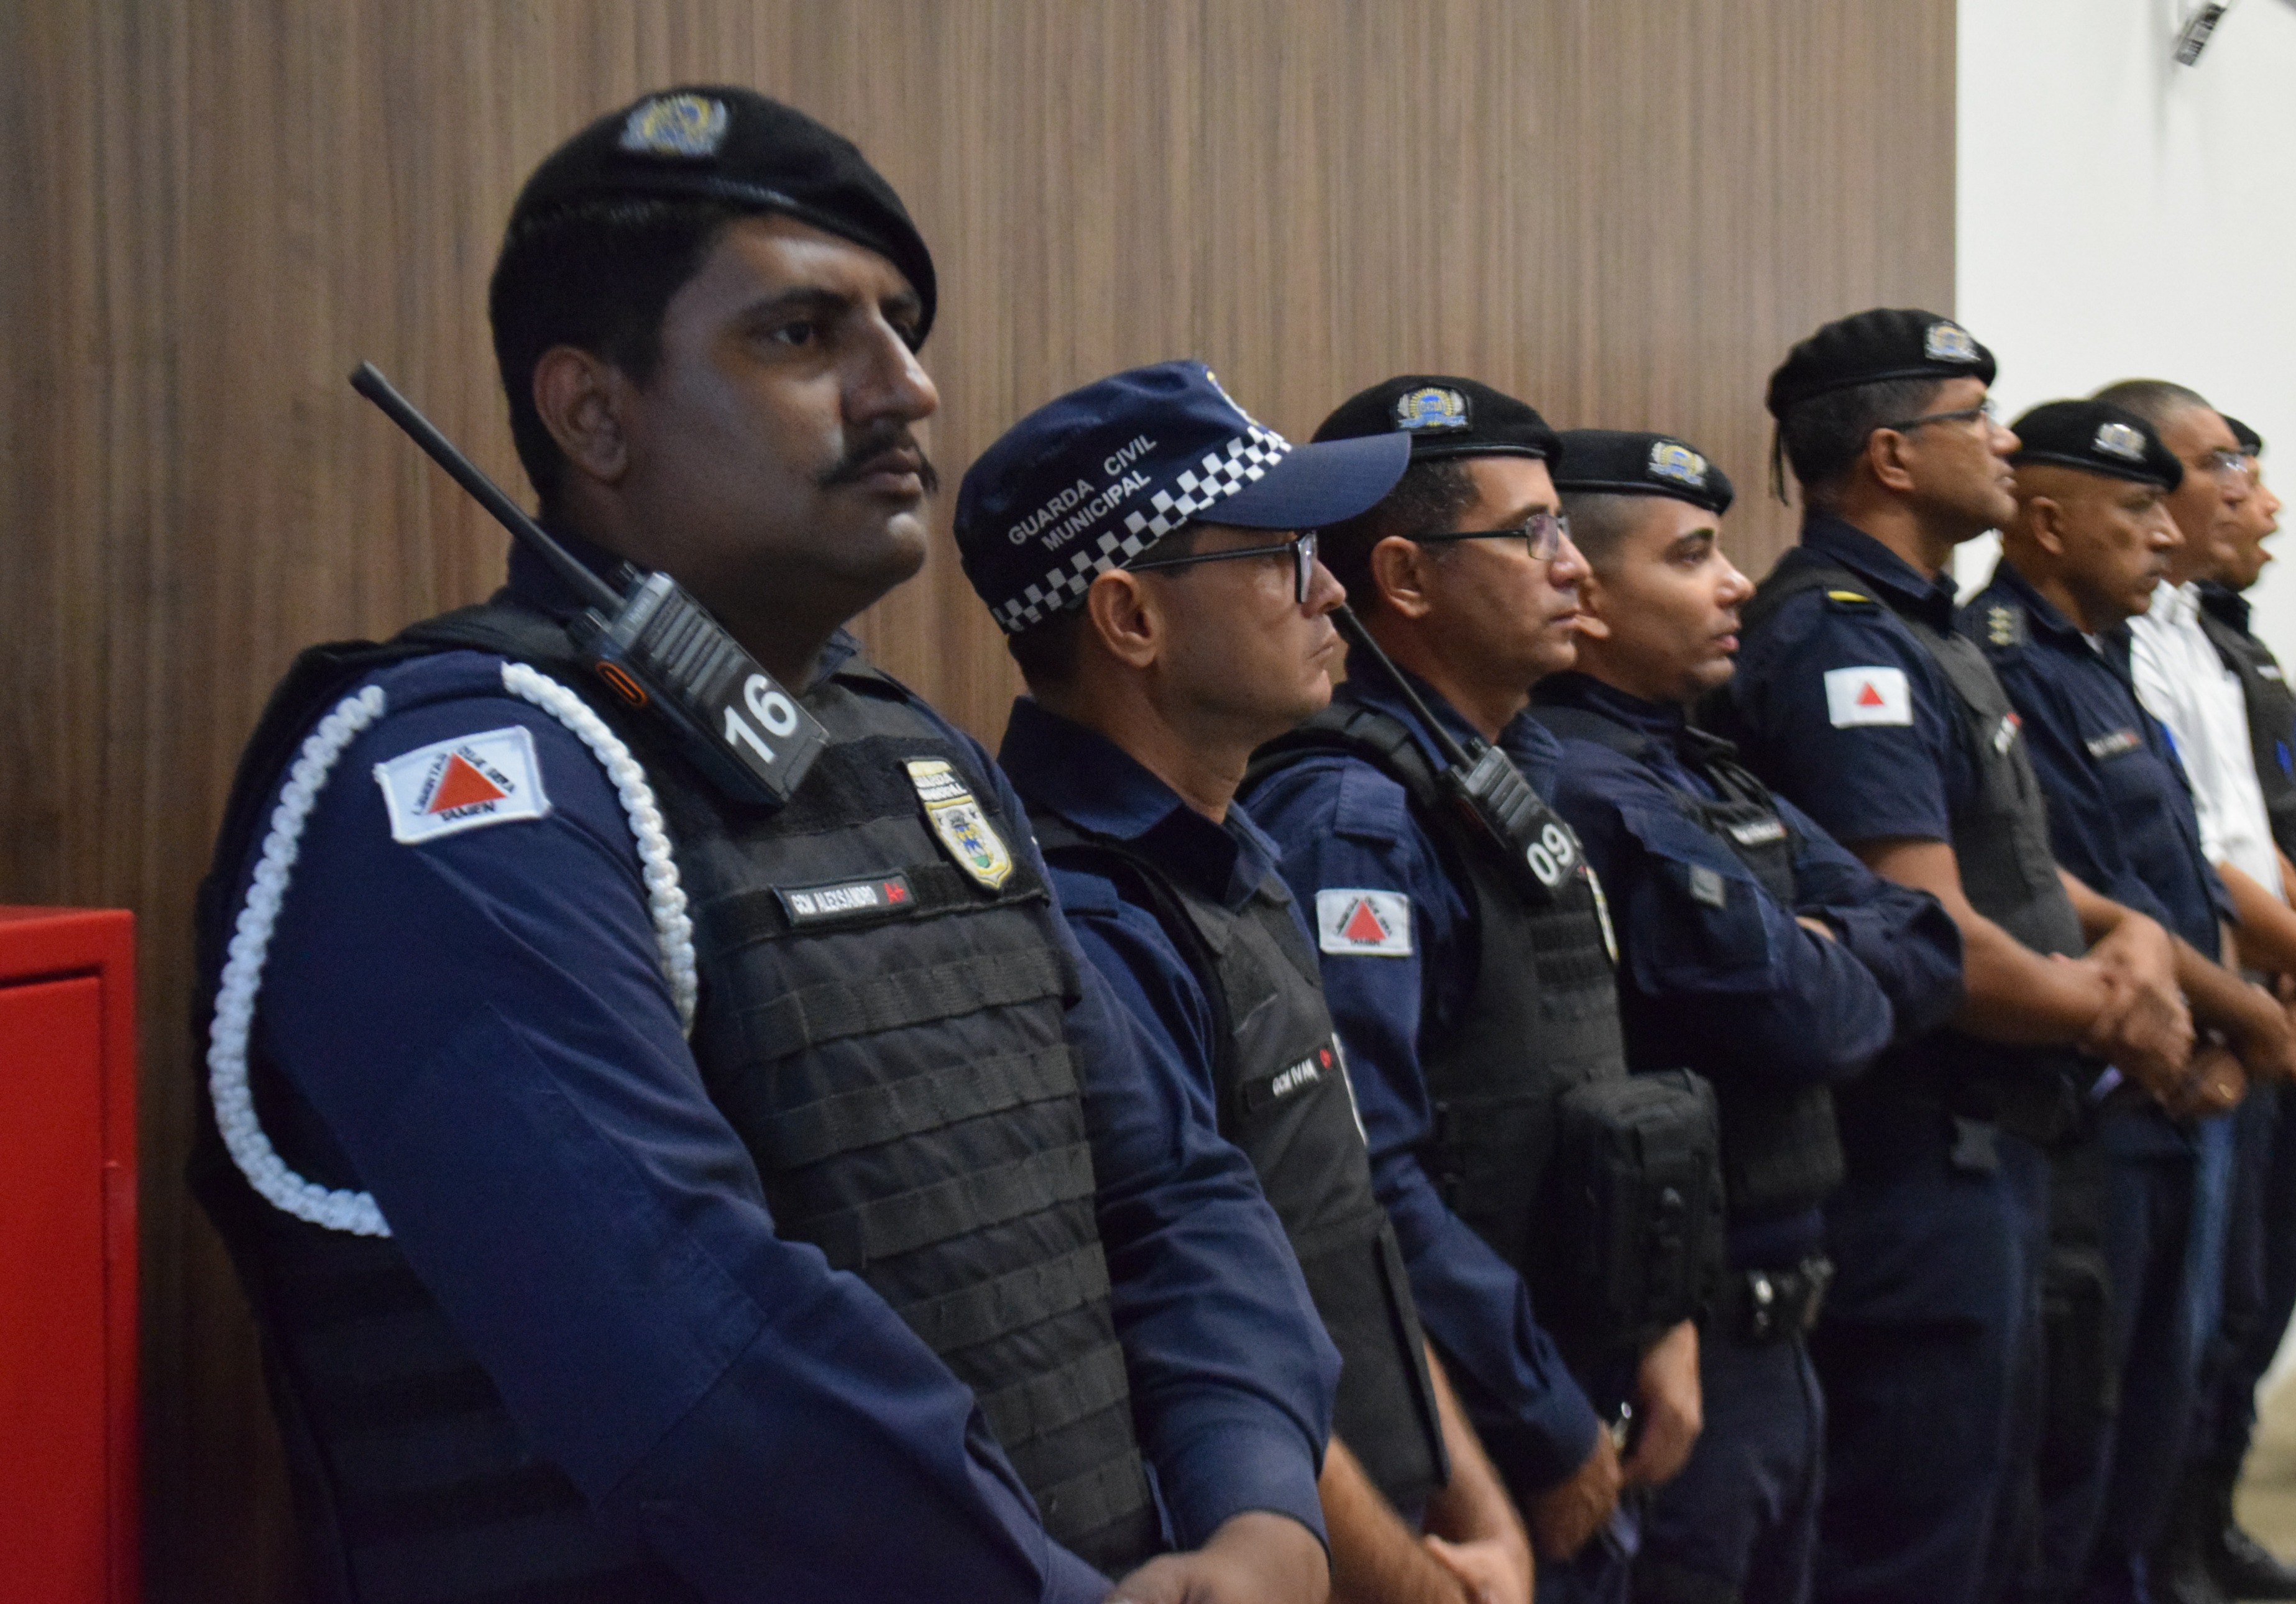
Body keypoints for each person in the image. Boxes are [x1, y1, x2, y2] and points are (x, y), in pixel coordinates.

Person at [188, 88, 1343, 1603]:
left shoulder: (912, 752)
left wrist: (1261, 1521)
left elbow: (1174, 1187)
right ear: (594, 413)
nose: (908, 388)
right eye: (802, 335)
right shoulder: (459, 787)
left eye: (902, 329)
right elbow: (694, 1358)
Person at [953, 359, 1537, 1604]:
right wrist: (1418, 1585)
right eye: (1283, 556)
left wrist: (1473, 1499)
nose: (1332, 590)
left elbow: (1341, 1230)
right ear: (1131, 619)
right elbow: (1196, 1324)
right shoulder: (1083, 926)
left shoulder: (1233, 858)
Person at [1719, 312, 2189, 1604]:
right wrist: (2111, 1011)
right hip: (1912, 1159)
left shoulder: (1922, 629)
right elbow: (1925, 930)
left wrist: (2133, 934)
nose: (2004, 442)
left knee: (1998, 1520)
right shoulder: (1839, 639)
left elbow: (2007, 868)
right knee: (1912, 1541)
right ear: (1889, 455)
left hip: (1995, 1149)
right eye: (1975, 418)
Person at [1242, 377, 1709, 1604]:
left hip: (1577, 1362)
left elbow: (1585, 1075)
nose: (1575, 567)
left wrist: (1661, 1318)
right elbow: (1364, 1178)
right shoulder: (1353, 820)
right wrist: (1542, 1416)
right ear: (1404, 578)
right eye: (1532, 533)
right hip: (1474, 1430)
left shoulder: (1515, 773)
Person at [1525, 429, 1967, 1604]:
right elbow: (1810, 1019)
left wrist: (1813, 947)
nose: (1737, 584)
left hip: (1782, 1327)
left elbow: (1929, 942)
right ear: (1589, 595)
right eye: (1692, 557)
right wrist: (1820, 951)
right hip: (1679, 1342)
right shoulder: (1584, 783)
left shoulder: (1704, 768)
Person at [1966, 399, 2296, 1603]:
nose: (2165, 534)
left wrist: (2235, 1026)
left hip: (2185, 1077)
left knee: (2170, 1387)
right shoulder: (2010, 663)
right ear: (2047, 523)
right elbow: (2081, 896)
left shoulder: (2112, 659)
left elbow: (2186, 866)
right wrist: (2242, 1020)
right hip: (2105, 1100)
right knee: (2087, 1417)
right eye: (2135, 509)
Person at [2101, 392, 2296, 1602]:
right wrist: (2290, 977)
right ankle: (2159, 1558)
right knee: (2173, 1329)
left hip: (2260, 1003)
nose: (2253, 495)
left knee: (2247, 1298)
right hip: (2200, 1018)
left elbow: (2252, 824)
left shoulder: (2205, 635)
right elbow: (2186, 858)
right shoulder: (2125, 647)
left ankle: (2204, 1530)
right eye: (2224, 467)